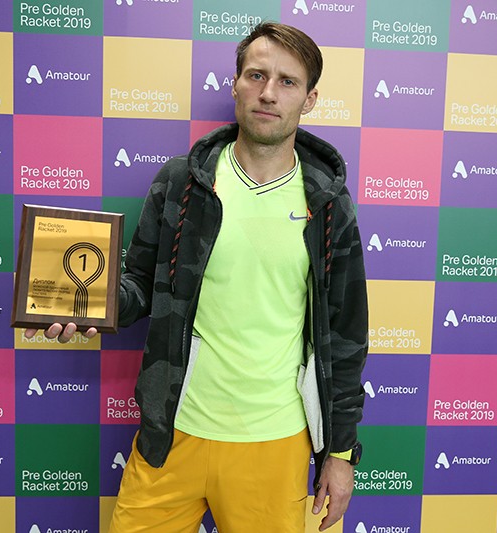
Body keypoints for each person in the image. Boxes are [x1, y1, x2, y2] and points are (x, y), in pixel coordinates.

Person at [28, 21, 368, 532]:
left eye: (287, 81)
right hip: (172, 432)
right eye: (256, 75)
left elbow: (346, 334)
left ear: (310, 99)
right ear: (236, 84)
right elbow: (139, 283)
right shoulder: (181, 182)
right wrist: (81, 303)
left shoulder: (327, 202)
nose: (268, 93)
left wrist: (340, 454)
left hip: (273, 441)